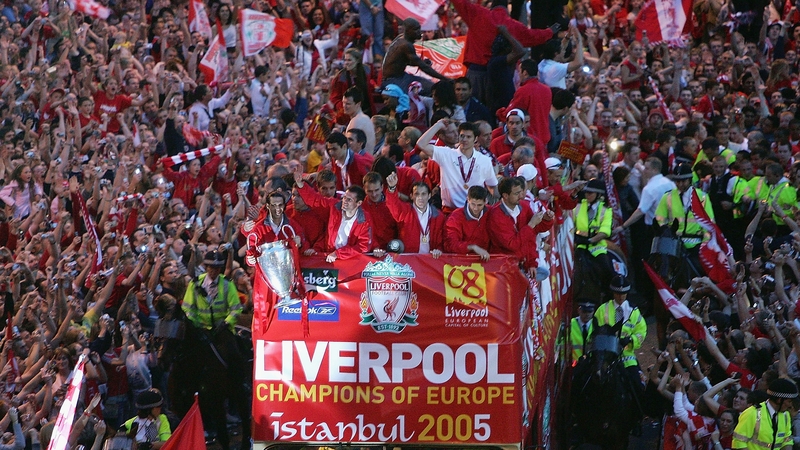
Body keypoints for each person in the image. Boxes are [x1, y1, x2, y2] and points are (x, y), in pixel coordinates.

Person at [450, 0, 556, 104]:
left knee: (472, 111)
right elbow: (533, 36)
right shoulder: (514, 25)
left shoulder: (479, 13)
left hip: (476, 73)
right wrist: (549, 32)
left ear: (492, 7)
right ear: (506, 10)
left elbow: (460, 3)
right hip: (501, 77)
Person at [417, 120, 498, 211]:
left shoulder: (485, 160)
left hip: (476, 211)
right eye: (462, 136)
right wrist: (438, 125)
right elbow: (421, 144)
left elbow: (492, 187)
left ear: (475, 139)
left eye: (468, 137)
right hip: (451, 211)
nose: (464, 139)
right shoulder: (447, 154)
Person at [294, 170, 373, 262]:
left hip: (350, 261)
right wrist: (301, 185)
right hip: (329, 258)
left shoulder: (364, 219)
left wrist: (338, 254)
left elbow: (363, 246)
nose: (345, 202)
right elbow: (315, 200)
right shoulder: (334, 206)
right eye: (344, 198)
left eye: (349, 200)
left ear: (359, 203)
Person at [654, 163, 715, 277]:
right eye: (677, 181)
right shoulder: (667, 197)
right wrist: (666, 231)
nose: (680, 184)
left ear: (690, 180)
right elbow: (659, 218)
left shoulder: (702, 197)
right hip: (674, 243)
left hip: (696, 245)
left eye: (683, 181)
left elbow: (709, 224)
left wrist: (704, 244)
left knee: (704, 272)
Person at [488, 176, 554, 275]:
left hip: (522, 266)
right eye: (516, 193)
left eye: (521, 192)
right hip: (503, 270)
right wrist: (531, 224)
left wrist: (546, 219)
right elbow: (512, 244)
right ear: (505, 196)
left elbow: (532, 235)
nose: (521, 196)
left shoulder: (524, 207)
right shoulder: (496, 216)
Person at [594, 275, 646, 381]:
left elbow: (641, 331)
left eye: (623, 294)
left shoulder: (634, 311)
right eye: (618, 294)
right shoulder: (602, 309)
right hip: (606, 356)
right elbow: (595, 332)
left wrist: (631, 339)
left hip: (627, 355)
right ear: (613, 292)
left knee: (637, 384)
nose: (621, 297)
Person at [385, 173, 445, 256]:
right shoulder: (404, 211)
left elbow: (442, 240)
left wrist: (439, 250)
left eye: (423, 194)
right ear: (411, 196)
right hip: (409, 260)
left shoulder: (439, 216)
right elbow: (392, 204)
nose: (420, 198)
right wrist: (392, 188)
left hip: (431, 261)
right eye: (417, 194)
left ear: (429, 196)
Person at [381, 18, 449, 92]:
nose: (419, 32)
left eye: (419, 29)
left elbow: (402, 62)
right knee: (433, 89)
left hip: (399, 77)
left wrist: (421, 63)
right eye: (416, 29)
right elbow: (424, 68)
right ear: (408, 31)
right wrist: (446, 79)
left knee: (429, 85)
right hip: (394, 81)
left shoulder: (400, 38)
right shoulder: (406, 45)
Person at [182, 250, 243, 332]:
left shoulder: (228, 284)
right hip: (200, 329)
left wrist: (226, 323)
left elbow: (236, 309)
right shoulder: (195, 283)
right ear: (206, 267)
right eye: (211, 267)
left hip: (223, 329)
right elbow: (187, 309)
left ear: (220, 268)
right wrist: (196, 325)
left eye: (217, 268)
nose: (214, 271)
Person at [731, 378, 797, 450]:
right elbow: (738, 443)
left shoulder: (785, 415)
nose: (790, 405)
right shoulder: (752, 413)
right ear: (779, 400)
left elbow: (787, 440)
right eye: (789, 401)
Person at [574, 178, 613, 290]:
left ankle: (605, 293)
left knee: (607, 269)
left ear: (598, 194)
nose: (587, 195)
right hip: (579, 244)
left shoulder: (606, 210)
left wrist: (591, 240)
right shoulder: (578, 207)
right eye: (586, 192)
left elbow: (605, 231)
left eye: (590, 193)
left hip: (597, 247)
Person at [444, 185, 491, 260]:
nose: (475, 208)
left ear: (485, 201)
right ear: (468, 199)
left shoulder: (491, 212)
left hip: (488, 259)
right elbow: (450, 245)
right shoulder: (455, 218)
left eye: (479, 205)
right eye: (473, 204)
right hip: (463, 262)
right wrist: (472, 247)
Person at [344, 87, 377, 154]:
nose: (344, 106)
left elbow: (347, 150)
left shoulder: (356, 121)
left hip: (360, 162)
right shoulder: (365, 118)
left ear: (358, 104)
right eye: (343, 102)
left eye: (348, 104)